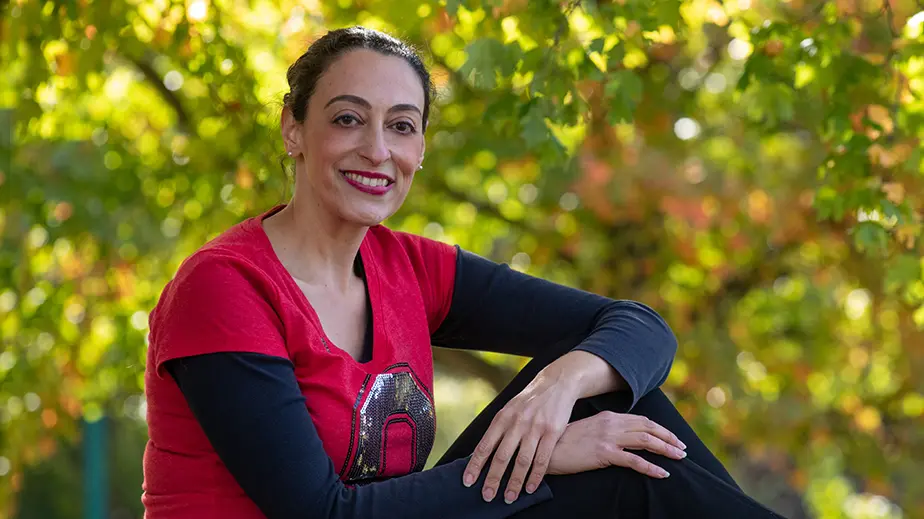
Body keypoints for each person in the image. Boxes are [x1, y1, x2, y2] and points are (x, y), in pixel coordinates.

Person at [141, 26, 785, 519]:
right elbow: (319, 511)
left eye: (401, 126)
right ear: (294, 128)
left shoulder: (407, 268)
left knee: (605, 394)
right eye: (347, 119)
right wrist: (549, 455)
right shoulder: (224, 286)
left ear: (419, 150)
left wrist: (558, 386)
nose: (377, 149)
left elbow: (640, 328)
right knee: (616, 468)